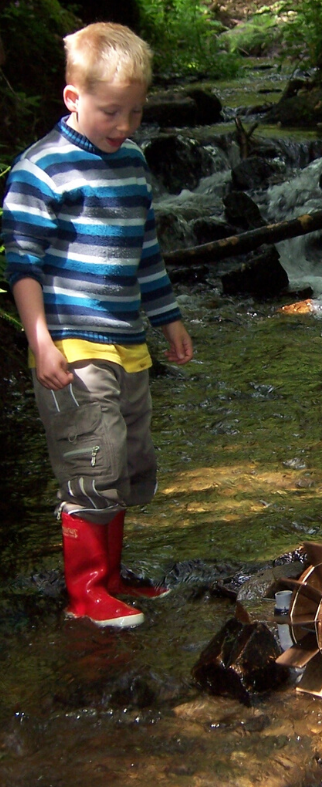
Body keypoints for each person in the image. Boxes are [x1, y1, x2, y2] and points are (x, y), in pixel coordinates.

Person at [2, 22, 193, 629]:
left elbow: (145, 253)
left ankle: (112, 576)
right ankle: (85, 592)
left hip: (127, 343)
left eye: (135, 111)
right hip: (72, 344)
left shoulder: (132, 161)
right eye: (112, 112)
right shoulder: (41, 169)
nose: (125, 125)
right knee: (93, 460)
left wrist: (169, 320)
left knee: (128, 461)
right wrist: (39, 342)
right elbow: (22, 265)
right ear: (72, 98)